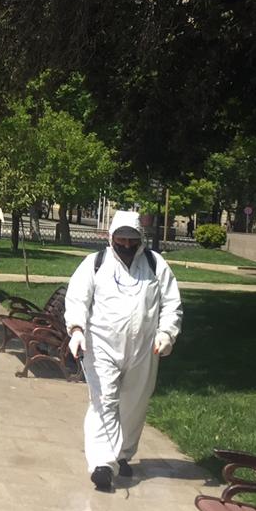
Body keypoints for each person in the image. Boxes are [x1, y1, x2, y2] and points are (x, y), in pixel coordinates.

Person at [65, 211, 182, 492]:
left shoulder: (155, 264)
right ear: (111, 237)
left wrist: (167, 333)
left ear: (140, 238)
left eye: (132, 239)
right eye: (121, 239)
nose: (126, 245)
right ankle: (102, 464)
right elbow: (77, 298)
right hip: (102, 346)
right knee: (104, 401)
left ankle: (122, 454)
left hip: (144, 348)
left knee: (134, 403)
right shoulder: (95, 264)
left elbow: (171, 303)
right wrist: (77, 329)